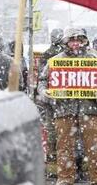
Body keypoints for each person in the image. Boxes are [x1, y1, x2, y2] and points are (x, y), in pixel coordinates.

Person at [38, 27, 97, 185]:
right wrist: (44, 93)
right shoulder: (55, 60)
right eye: (72, 39)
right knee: (64, 149)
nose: (75, 43)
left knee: (95, 149)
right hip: (64, 110)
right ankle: (65, 180)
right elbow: (42, 81)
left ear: (84, 41)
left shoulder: (94, 59)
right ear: (65, 42)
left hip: (90, 110)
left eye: (79, 39)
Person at [37, 28, 64, 179]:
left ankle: (54, 169)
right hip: (60, 101)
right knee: (61, 136)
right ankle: (60, 167)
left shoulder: (48, 54)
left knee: (54, 135)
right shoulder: (49, 54)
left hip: (55, 101)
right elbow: (43, 77)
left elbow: (42, 77)